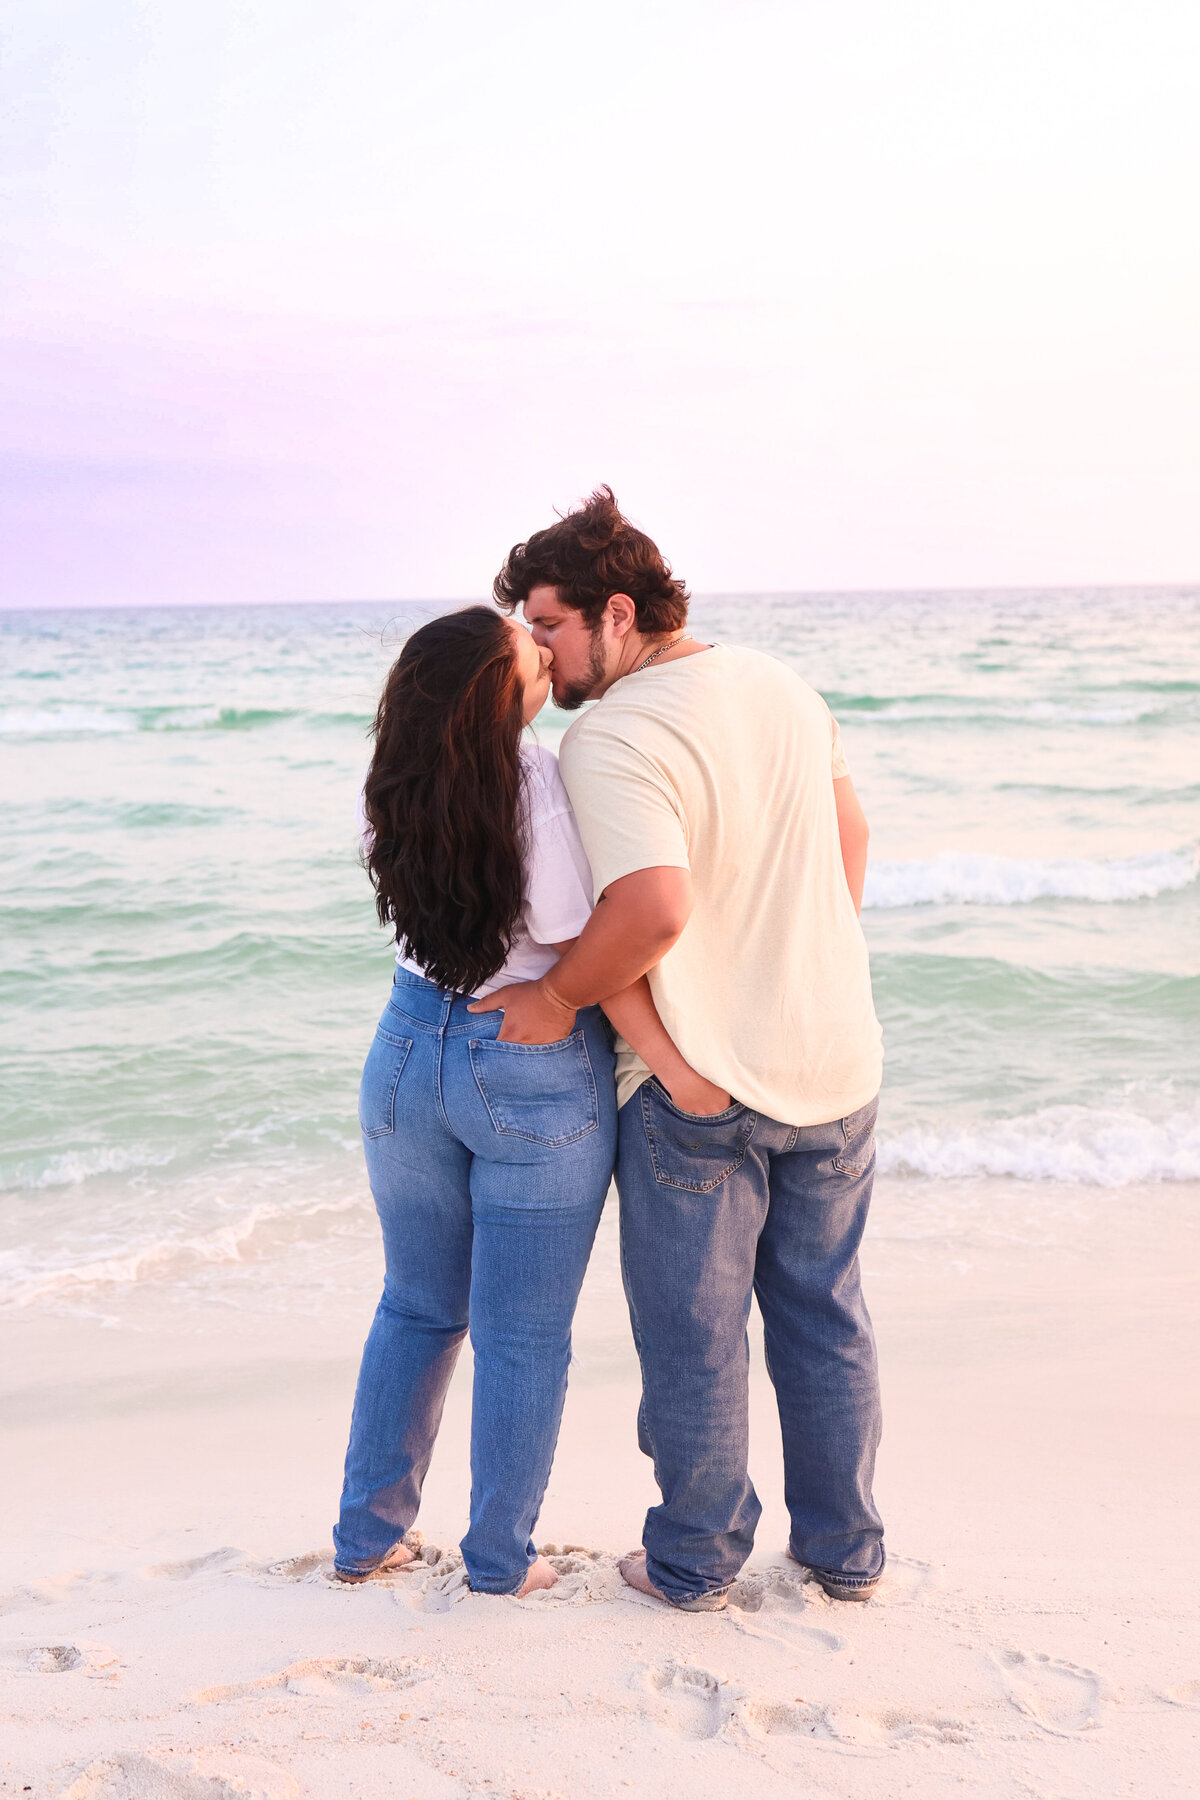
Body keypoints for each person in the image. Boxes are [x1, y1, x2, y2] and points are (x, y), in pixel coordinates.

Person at [473, 490, 885, 1612]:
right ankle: (846, 1555)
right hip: (837, 1065)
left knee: (696, 1342)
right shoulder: (784, 686)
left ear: (617, 613)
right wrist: (800, 965)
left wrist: (558, 997)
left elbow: (651, 909)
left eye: (550, 626)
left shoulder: (611, 732)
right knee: (826, 1315)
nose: (540, 653)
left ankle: (695, 1563)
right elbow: (850, 844)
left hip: (699, 1086)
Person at [333, 605, 721, 1597]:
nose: (545, 651)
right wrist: (673, 1065)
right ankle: (500, 1561)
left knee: (417, 1309)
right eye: (527, 656)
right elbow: (582, 941)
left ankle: (366, 1538)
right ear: (493, 703)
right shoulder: (537, 777)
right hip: (526, 1067)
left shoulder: (391, 783)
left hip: (407, 1045)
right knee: (522, 1335)